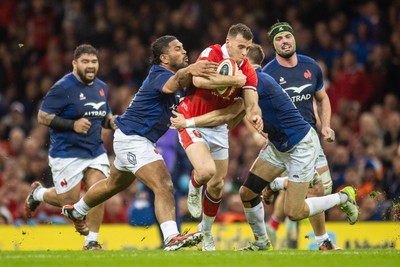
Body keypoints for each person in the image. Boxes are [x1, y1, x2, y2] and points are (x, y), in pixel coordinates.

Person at [171, 43, 359, 251]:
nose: (235, 64)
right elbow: (232, 119)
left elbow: (231, 115)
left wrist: (191, 122)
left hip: (299, 146)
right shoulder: (253, 82)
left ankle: (343, 197)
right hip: (278, 145)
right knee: (247, 193)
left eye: (239, 61)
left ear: (246, 62)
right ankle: (261, 241)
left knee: (294, 211)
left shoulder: (255, 81)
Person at [60, 35, 218, 251]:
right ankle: (171, 238)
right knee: (163, 184)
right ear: (164, 57)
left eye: (183, 48)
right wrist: (191, 70)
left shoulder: (175, 78)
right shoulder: (159, 74)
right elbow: (173, 84)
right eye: (177, 49)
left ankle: (77, 210)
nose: (184, 52)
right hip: (134, 139)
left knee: (112, 185)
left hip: (131, 137)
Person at [176, 23, 263, 250]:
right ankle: (194, 187)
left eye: (247, 48)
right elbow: (198, 81)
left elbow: (251, 101)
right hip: (191, 117)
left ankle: (205, 232)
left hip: (217, 127)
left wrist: (255, 115)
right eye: (241, 47)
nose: (244, 52)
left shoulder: (248, 70)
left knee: (217, 185)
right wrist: (233, 81)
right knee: (205, 172)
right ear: (228, 42)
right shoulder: (212, 53)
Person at [24, 44, 117, 250]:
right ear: (74, 63)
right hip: (67, 153)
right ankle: (38, 194)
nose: (90, 66)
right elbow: (42, 117)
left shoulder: (102, 87)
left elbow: (104, 117)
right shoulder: (62, 88)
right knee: (69, 199)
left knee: (99, 189)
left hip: (95, 150)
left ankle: (91, 241)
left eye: (94, 61)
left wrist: (113, 122)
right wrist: (72, 124)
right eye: (85, 61)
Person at [262, 21, 339, 250]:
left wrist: (325, 125)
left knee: (322, 187)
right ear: (273, 44)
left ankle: (278, 184)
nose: (284, 41)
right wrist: (262, 129)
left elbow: (322, 98)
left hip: (310, 136)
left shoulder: (311, 67)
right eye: (278, 38)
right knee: (312, 188)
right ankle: (323, 241)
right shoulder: (268, 74)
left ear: (294, 38)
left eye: (287, 36)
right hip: (285, 140)